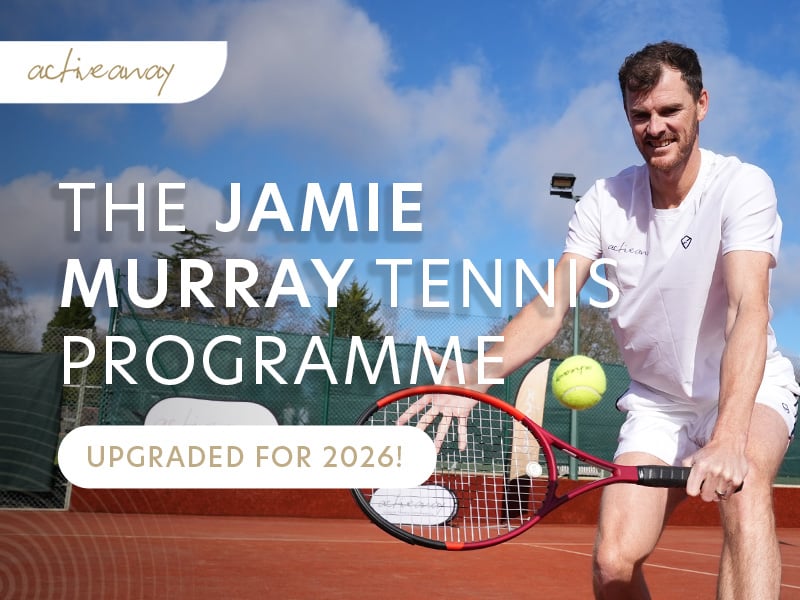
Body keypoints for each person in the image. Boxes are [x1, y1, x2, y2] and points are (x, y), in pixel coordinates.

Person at [415, 41, 800, 598]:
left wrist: (729, 436)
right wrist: (473, 375)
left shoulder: (742, 186)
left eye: (670, 110)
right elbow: (550, 309)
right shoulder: (603, 202)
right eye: (640, 115)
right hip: (657, 402)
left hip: (746, 385)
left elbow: (748, 307)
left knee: (744, 489)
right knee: (613, 563)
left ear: (702, 104)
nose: (655, 127)